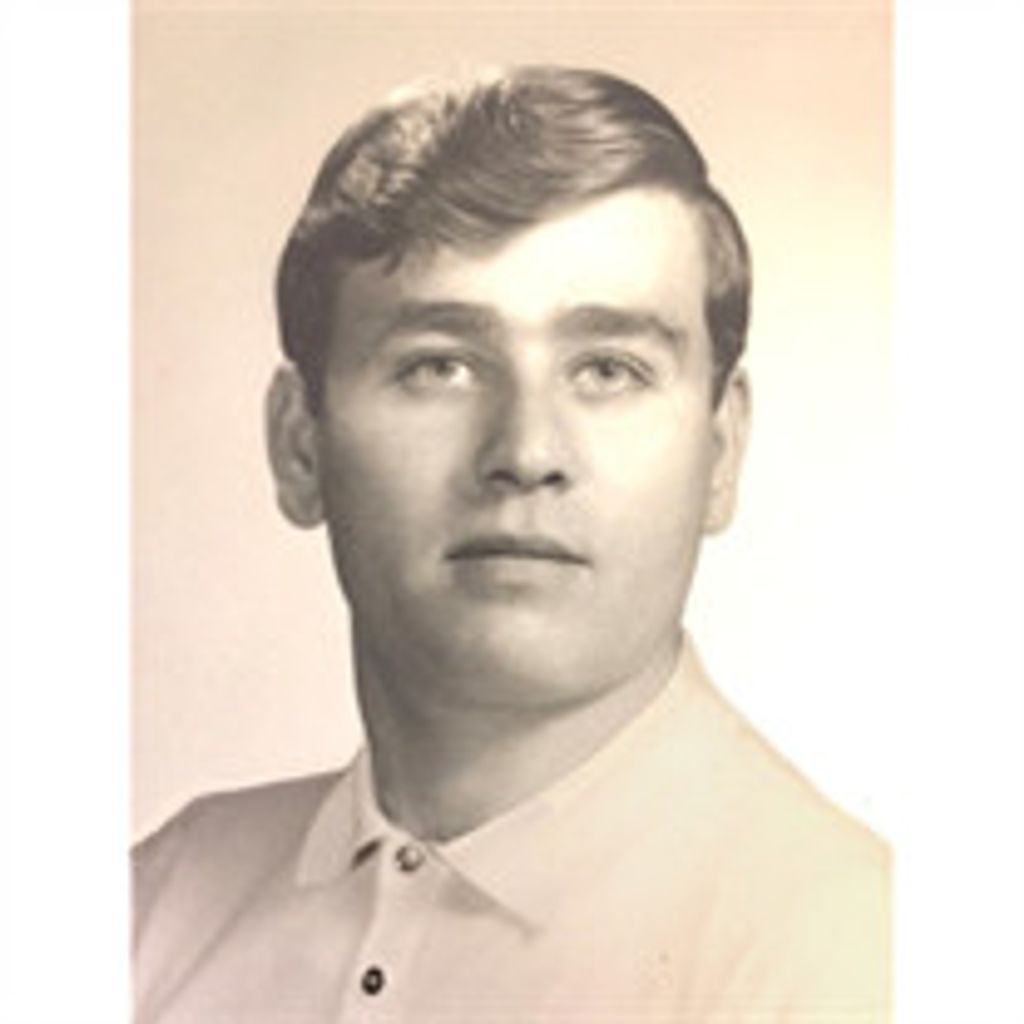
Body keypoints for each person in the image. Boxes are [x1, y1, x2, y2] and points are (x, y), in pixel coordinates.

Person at [133, 65, 889, 1023]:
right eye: (439, 366)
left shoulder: (864, 959)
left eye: (608, 369)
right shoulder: (150, 913)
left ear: (722, 448)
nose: (527, 453)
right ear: (299, 445)